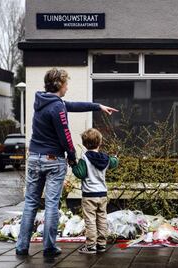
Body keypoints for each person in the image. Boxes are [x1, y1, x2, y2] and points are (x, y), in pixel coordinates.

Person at [16, 68, 118, 256]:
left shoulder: (42, 101)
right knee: (52, 204)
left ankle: (22, 246)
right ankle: (49, 247)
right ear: (59, 85)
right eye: (66, 84)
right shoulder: (57, 107)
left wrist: (97, 106)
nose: (67, 87)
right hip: (53, 160)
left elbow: (70, 105)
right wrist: (72, 158)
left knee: (30, 202)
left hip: (34, 157)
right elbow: (66, 137)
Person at [72, 128, 118, 254]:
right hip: (102, 194)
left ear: (85, 144)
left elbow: (80, 173)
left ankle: (91, 246)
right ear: (100, 143)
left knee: (90, 221)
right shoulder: (105, 159)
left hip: (89, 196)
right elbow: (114, 163)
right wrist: (115, 157)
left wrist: (73, 165)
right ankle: (102, 244)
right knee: (102, 218)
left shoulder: (84, 159)